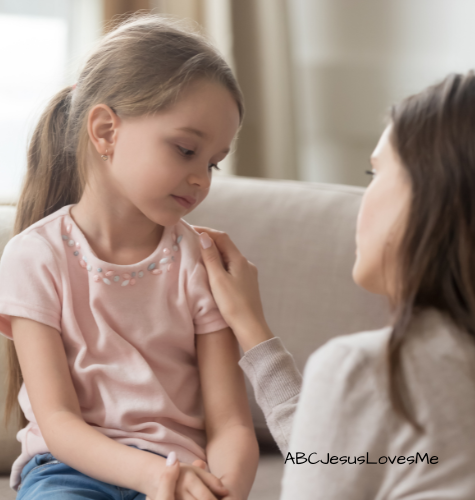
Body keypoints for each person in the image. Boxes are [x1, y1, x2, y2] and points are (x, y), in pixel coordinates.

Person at [0, 14, 259, 500]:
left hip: (180, 471)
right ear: (106, 130)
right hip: (65, 470)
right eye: (185, 149)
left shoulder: (200, 260)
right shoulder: (35, 257)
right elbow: (59, 421)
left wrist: (226, 491)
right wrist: (150, 476)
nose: (202, 179)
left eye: (213, 162)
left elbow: (231, 423)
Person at [194, 71, 475, 498]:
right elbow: (335, 458)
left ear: (435, 195)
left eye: (375, 172)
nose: (366, 197)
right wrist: (252, 329)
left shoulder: (372, 372)